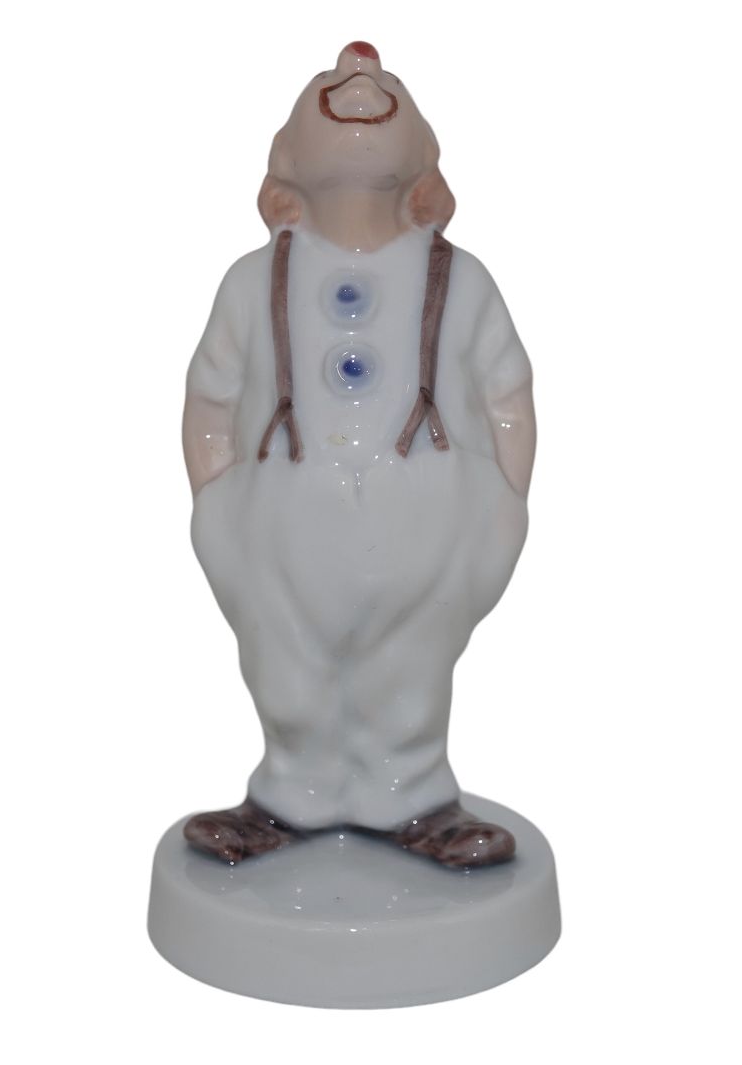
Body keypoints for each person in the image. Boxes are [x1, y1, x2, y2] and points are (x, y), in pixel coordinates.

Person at [180, 42, 536, 868]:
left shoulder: (465, 281)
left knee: (411, 671)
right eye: (330, 84)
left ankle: (413, 797)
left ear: (425, 162)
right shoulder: (249, 282)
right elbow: (210, 398)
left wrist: (502, 506)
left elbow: (507, 394)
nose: (359, 63)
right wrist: (219, 508)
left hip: (429, 523)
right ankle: (290, 793)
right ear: (285, 164)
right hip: (282, 529)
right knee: (285, 667)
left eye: (386, 85)